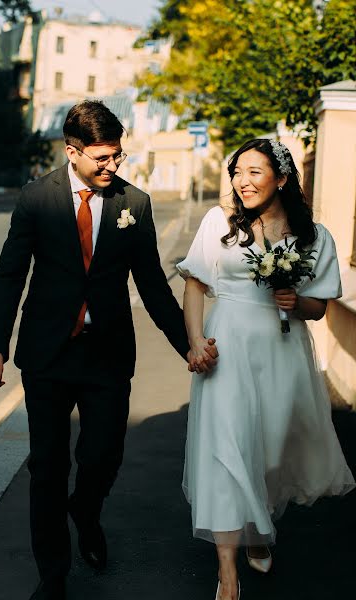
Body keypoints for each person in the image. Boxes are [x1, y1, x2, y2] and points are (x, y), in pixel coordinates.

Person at [0, 100, 218, 600]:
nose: (113, 166)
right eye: (103, 158)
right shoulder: (36, 198)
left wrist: (188, 346)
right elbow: (9, 275)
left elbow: (152, 283)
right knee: (48, 466)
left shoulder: (136, 203)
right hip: (48, 354)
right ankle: (53, 574)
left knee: (103, 455)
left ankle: (85, 512)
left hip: (107, 354)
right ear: (73, 151)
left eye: (118, 156)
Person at [176, 138, 355, 600]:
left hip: (282, 350)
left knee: (269, 452)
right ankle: (228, 576)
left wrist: (298, 302)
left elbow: (319, 307)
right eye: (238, 171)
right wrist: (196, 342)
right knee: (225, 448)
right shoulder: (220, 222)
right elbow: (194, 286)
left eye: (255, 172)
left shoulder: (313, 236)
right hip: (226, 347)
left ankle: (257, 526)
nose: (243, 181)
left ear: (282, 178)